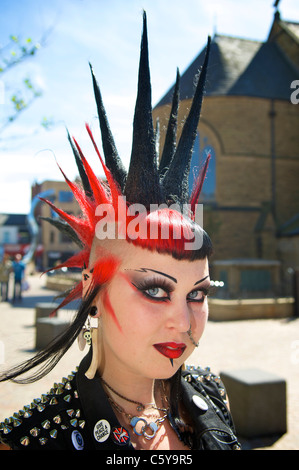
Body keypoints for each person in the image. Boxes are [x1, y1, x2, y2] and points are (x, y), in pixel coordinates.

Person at [0, 13, 241, 451]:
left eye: (199, 293)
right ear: (92, 290)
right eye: (155, 290)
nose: (185, 323)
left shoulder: (211, 394)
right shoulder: (27, 441)